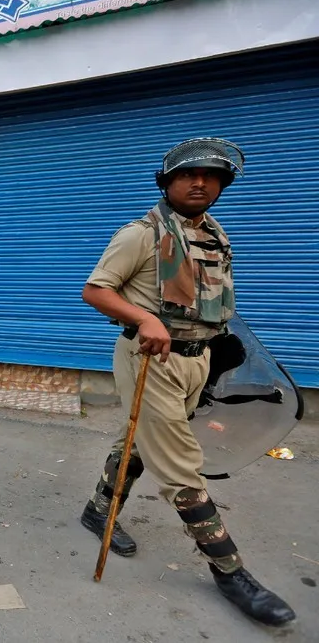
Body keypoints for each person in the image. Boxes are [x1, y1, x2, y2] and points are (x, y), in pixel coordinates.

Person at [78, 138, 295, 627]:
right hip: (150, 359)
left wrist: (218, 351)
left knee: (136, 444)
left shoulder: (214, 235)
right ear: (168, 182)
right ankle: (230, 570)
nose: (200, 183)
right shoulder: (141, 234)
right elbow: (96, 290)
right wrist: (143, 318)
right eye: (188, 174)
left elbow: (211, 306)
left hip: (195, 361)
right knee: (180, 465)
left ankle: (98, 510)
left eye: (211, 176)